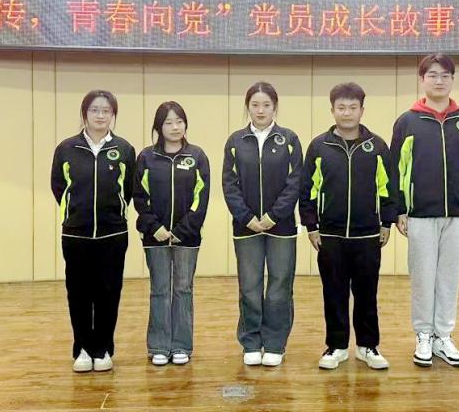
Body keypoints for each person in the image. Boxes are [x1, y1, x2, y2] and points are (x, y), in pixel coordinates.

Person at [391, 53, 459, 368]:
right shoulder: (408, 121)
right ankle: (423, 335)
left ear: (452, 80)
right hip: (420, 214)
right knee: (423, 278)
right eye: (433, 75)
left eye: (445, 75)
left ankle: (443, 336)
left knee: (449, 278)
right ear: (422, 80)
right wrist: (399, 210)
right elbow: (396, 170)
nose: (439, 80)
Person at [300, 82, 398, 371]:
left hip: (368, 235)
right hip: (330, 235)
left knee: (367, 294)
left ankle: (368, 346)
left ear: (362, 110)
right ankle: (337, 346)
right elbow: (308, 190)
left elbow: (388, 187)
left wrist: (387, 221)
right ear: (332, 110)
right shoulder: (319, 147)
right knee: (334, 293)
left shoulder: (377, 146)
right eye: (341, 107)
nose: (347, 113)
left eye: (352, 107)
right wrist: (311, 225)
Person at [50, 90, 136, 373]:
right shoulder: (66, 149)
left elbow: (128, 189)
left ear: (113, 115)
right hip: (76, 235)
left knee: (109, 292)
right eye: (95, 110)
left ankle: (103, 349)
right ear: (85, 114)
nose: (100, 116)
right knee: (78, 293)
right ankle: (83, 349)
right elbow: (59, 187)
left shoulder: (124, 149)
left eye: (106, 111)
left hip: (113, 235)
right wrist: (75, 213)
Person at [222, 81, 303, 367]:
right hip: (246, 228)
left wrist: (273, 216)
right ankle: (251, 341)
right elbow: (229, 184)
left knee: (280, 286)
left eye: (266, 105)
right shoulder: (236, 141)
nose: (260, 110)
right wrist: (247, 218)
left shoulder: (289, 139)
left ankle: (276, 343)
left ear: (274, 107)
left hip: (281, 227)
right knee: (249, 287)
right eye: (255, 105)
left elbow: (295, 182)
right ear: (248, 107)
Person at [134, 101, 210, 366]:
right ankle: (158, 345)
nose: (175, 127)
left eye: (179, 121)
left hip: (186, 238)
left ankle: (181, 346)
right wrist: (154, 227)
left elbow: (201, 197)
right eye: (168, 122)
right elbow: (139, 197)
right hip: (154, 237)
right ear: (159, 127)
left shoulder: (197, 156)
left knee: (182, 289)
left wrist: (182, 230)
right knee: (160, 289)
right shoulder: (146, 157)